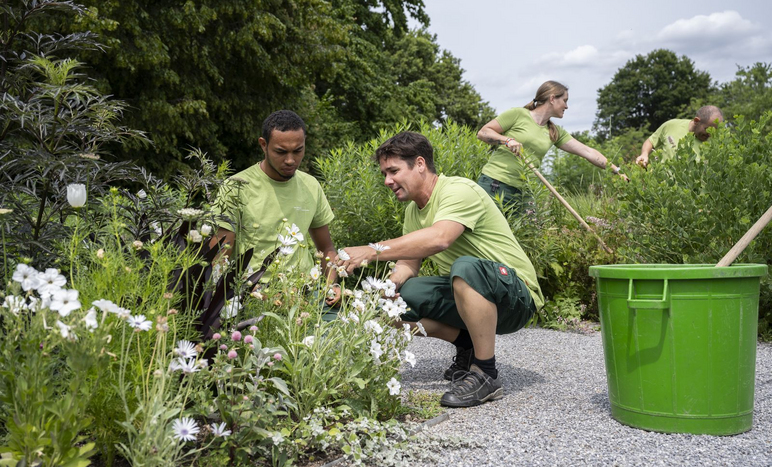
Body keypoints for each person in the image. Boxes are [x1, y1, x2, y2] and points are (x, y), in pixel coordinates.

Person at [336, 131, 544, 408]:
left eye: (393, 171)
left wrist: (372, 250)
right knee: (403, 297)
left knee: (465, 267)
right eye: (384, 173)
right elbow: (409, 263)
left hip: (516, 296)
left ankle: (486, 374)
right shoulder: (413, 211)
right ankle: (468, 345)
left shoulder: (458, 190)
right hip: (475, 295)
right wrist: (388, 289)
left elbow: (440, 238)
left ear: (420, 164)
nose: (387, 181)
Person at [211, 110, 338, 289]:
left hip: (305, 292)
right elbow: (219, 256)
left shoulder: (311, 185)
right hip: (252, 293)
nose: (290, 160)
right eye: (281, 152)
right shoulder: (236, 187)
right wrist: (240, 294)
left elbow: (326, 249)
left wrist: (331, 288)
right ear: (263, 145)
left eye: (298, 151)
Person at [476, 81, 626, 209]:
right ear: (553, 98)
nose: (566, 106)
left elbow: (588, 151)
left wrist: (617, 171)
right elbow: (483, 133)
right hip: (496, 184)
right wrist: (507, 140)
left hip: (524, 192)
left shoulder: (554, 132)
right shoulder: (518, 114)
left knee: (524, 239)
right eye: (565, 101)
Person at [635, 105, 725, 167]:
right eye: (707, 129)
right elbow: (651, 141)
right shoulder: (671, 125)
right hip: (661, 190)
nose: (710, 134)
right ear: (696, 121)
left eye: (714, 131)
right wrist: (644, 154)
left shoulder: (716, 144)